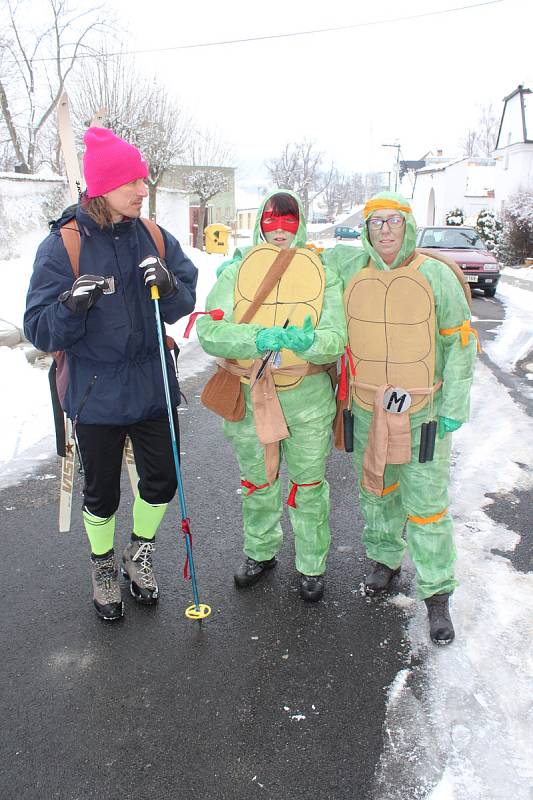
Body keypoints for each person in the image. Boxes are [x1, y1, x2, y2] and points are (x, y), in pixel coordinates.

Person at [24, 127, 198, 621]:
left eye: (142, 180)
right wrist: (71, 307)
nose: (143, 190)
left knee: (162, 481)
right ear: (102, 188)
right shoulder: (64, 247)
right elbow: (39, 328)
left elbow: (183, 297)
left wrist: (172, 286)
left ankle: (138, 553)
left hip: (151, 388)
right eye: (132, 183)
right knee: (102, 494)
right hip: (95, 393)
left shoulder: (153, 235)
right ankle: (103, 566)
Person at [325, 191, 478, 644]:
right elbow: (299, 264)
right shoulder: (350, 270)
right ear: (366, 229)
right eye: (376, 222)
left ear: (407, 225)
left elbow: (460, 342)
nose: (385, 229)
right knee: (378, 491)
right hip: (367, 408)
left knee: (427, 507)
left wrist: (452, 407)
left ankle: (436, 595)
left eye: (394, 220)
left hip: (423, 413)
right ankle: (385, 561)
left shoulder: (436, 276)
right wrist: (248, 255)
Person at [196, 190, 346, 601]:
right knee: (258, 481)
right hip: (250, 394)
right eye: (272, 220)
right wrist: (254, 337)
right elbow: (210, 331)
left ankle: (312, 563)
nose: (280, 230)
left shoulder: (321, 271)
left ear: (302, 222)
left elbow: (336, 338)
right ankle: (260, 552)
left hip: (308, 397)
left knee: (308, 483)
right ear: (260, 221)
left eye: (289, 220)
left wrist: (310, 342)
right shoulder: (238, 269)